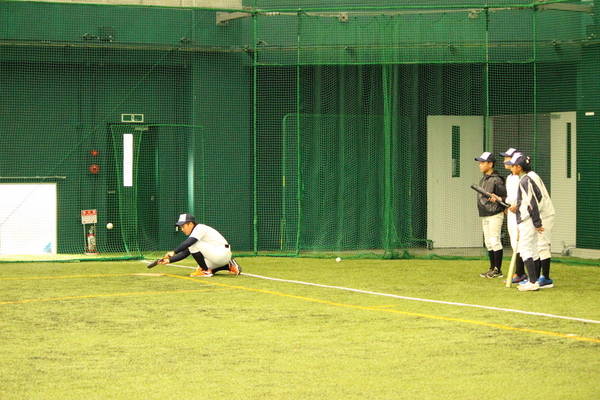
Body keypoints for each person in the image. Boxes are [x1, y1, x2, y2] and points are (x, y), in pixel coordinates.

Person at [505, 153, 555, 291]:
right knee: (534, 248)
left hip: (537, 216)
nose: (510, 167)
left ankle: (538, 280)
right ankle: (534, 279)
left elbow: (534, 202)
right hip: (534, 216)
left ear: (519, 167)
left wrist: (536, 222)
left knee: (534, 247)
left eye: (513, 165)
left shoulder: (527, 179)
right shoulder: (527, 177)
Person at [158, 213, 241, 278]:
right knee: (199, 267)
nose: (182, 229)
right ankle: (229, 265)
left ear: (190, 224)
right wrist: (169, 260)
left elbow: (189, 243)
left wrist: (174, 252)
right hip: (220, 256)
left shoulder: (199, 228)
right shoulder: (196, 233)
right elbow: (185, 253)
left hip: (221, 253)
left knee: (193, 245)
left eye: (183, 226)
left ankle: (205, 271)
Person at [475, 152, 507, 278]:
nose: (480, 165)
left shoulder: (497, 179)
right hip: (485, 213)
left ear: (490, 164)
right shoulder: (484, 179)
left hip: (495, 213)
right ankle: (492, 268)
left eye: (482, 162)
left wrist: (499, 200)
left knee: (494, 240)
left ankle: (497, 270)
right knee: (488, 242)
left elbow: (505, 197)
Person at [499, 147, 527, 284]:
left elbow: (525, 195)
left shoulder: (522, 177)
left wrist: (518, 205)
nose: (505, 161)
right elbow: (511, 196)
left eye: (507, 158)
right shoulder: (510, 177)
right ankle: (519, 273)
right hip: (511, 211)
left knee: (521, 242)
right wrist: (506, 204)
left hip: (521, 213)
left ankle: (521, 273)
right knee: (514, 243)